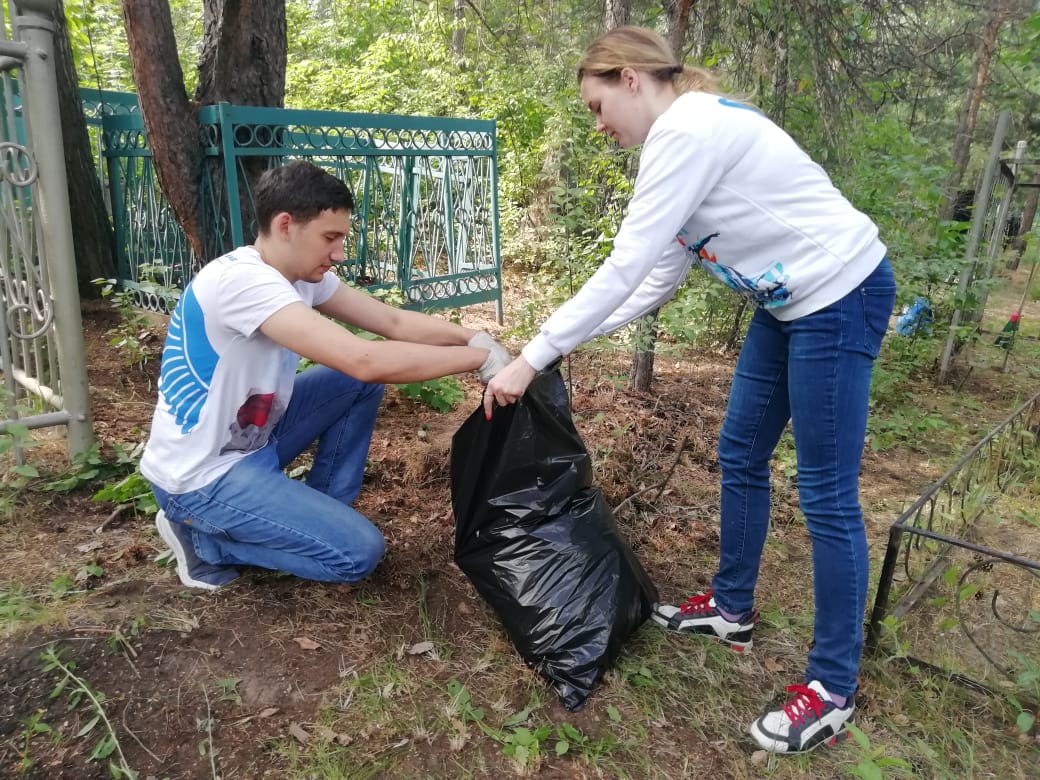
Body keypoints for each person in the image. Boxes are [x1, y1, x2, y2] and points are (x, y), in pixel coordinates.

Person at [484, 26, 896, 755]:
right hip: (788, 304)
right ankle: (731, 608)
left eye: (596, 103)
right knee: (739, 450)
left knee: (827, 493)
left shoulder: (688, 131)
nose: (598, 123)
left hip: (840, 295)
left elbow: (621, 265)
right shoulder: (678, 145)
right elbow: (652, 280)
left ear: (630, 78)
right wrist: (549, 351)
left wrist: (535, 353)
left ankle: (832, 686)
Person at [141, 160, 509, 592]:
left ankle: (324, 511)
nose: (338, 254)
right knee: (356, 555)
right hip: (201, 476)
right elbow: (363, 358)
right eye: (329, 238)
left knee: (357, 386)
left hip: (249, 442)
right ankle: (207, 545)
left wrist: (475, 339)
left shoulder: (297, 276)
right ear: (285, 225)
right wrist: (477, 362)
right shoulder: (242, 283)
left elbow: (391, 323)